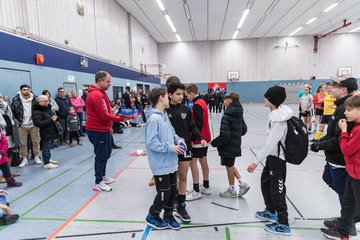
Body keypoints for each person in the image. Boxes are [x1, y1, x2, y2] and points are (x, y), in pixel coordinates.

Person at [310, 77, 358, 237]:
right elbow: (332, 133)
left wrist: (321, 145)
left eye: (335, 86)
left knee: (345, 192)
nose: (331, 88)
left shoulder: (347, 108)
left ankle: (348, 223)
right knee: (330, 180)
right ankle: (346, 219)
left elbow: (341, 139)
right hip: (332, 157)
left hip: (340, 160)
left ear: (343, 89)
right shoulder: (340, 107)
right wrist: (319, 141)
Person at [247, 86, 293, 235]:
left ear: (272, 100)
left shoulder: (279, 120)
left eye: (267, 97)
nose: (264, 99)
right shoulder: (274, 114)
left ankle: (284, 223)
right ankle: (270, 210)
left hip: (278, 159)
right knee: (266, 183)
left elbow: (270, 144)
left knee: (277, 190)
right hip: (271, 158)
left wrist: (255, 161)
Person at [144, 87, 185, 230]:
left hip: (171, 162)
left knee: (172, 191)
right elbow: (152, 143)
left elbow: (173, 134)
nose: (169, 99)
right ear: (161, 98)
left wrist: (179, 141)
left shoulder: (164, 115)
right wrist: (170, 147)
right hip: (160, 164)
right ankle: (152, 215)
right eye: (167, 97)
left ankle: (168, 215)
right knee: (164, 192)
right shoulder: (154, 119)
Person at [321, 95, 360, 240]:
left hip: (358, 176)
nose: (345, 113)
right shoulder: (356, 126)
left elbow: (347, 150)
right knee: (348, 205)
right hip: (352, 173)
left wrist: (344, 132)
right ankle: (343, 233)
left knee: (356, 210)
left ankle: (347, 227)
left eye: (349, 110)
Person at [86, 71, 132, 192]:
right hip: (96, 130)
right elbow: (103, 114)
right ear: (100, 81)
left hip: (104, 129)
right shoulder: (96, 94)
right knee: (101, 155)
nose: (110, 84)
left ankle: (103, 176)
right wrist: (121, 119)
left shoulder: (102, 93)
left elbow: (108, 112)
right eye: (108, 81)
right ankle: (98, 182)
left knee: (107, 153)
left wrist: (109, 126)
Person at [166, 82, 206, 223]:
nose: (181, 96)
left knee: (183, 176)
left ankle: (182, 206)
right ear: (169, 94)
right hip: (170, 148)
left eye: (182, 94)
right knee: (172, 179)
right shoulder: (164, 111)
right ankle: (172, 204)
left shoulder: (186, 109)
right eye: (178, 94)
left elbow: (192, 126)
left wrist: (199, 138)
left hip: (185, 147)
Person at [211, 92, 249, 197]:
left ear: (230, 100)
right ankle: (242, 183)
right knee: (230, 165)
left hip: (228, 146)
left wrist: (214, 143)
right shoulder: (239, 114)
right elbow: (244, 130)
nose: (223, 101)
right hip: (235, 144)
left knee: (229, 166)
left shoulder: (227, 116)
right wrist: (235, 134)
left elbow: (225, 136)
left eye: (225, 99)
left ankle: (232, 189)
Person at [185, 84, 212, 199]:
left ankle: (196, 190)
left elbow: (199, 123)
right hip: (206, 137)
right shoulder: (202, 102)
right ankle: (206, 186)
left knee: (193, 163)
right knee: (203, 160)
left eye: (186, 95)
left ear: (191, 93)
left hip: (199, 139)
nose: (186, 97)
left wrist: (194, 138)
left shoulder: (196, 104)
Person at [11, 84, 41, 167]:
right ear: (21, 90)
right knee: (22, 143)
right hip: (22, 125)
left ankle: (36, 156)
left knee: (36, 141)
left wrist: (38, 120)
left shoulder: (35, 99)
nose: (26, 91)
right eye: (24, 89)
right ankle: (24, 158)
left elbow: (40, 109)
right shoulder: (16, 100)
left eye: (28, 89)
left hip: (34, 124)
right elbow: (12, 113)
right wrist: (17, 122)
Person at [32, 95, 59, 170]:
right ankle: (46, 163)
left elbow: (52, 117)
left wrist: (56, 118)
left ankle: (48, 159)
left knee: (49, 147)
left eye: (47, 100)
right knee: (46, 147)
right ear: (39, 102)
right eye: (44, 101)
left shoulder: (47, 109)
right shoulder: (36, 111)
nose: (46, 102)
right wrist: (51, 120)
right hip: (45, 132)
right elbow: (38, 123)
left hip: (51, 131)